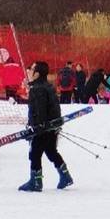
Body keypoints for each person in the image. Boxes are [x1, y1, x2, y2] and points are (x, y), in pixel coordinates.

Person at [20, 61, 72, 193]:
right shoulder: (47, 86)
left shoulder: (37, 89)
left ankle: (35, 181)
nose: (29, 71)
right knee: (51, 151)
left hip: (43, 128)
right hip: (51, 126)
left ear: (36, 74)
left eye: (31, 69)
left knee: (35, 153)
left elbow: (39, 110)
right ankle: (65, 175)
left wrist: (36, 127)